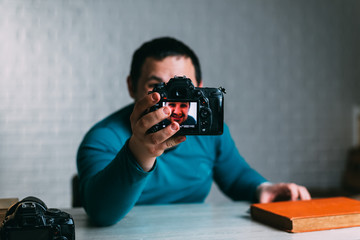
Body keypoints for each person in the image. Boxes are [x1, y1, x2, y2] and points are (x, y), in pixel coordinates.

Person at [77, 37, 311, 226]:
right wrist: (139, 152)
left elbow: (236, 176)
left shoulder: (210, 133)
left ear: (200, 89)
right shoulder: (102, 138)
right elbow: (101, 213)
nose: (170, 101)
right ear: (131, 86)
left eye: (183, 87)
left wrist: (264, 188)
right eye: (156, 87)